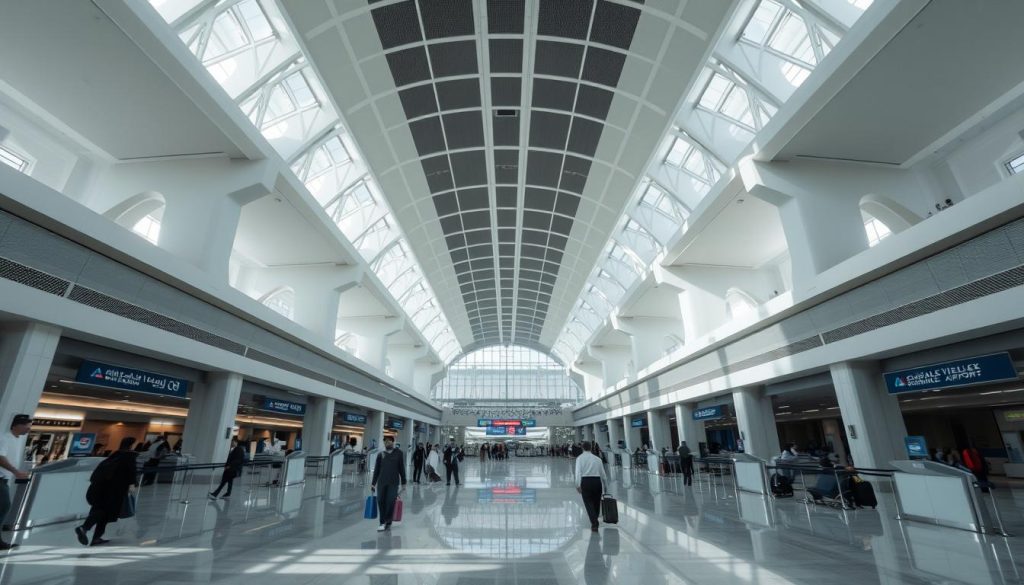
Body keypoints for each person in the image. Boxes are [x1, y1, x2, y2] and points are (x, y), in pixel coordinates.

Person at [75, 436, 138, 547]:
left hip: (101, 487)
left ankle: (96, 537)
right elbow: (131, 472)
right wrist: (132, 485)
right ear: (131, 445)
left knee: (101, 510)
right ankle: (84, 528)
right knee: (104, 511)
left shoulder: (115, 454)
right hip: (115, 489)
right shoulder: (129, 456)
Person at [0, 414, 31, 549]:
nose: (28, 429)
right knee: (4, 506)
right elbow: (0, 458)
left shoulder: (17, 440)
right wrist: (15, 471)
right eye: (26, 425)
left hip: (5, 479)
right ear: (17, 425)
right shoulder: (4, 438)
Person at [370, 437, 406, 532]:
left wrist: (404, 482)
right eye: (385, 442)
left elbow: (402, 468)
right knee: (381, 500)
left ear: (393, 443)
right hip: (382, 482)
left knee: (390, 501)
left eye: (389, 441)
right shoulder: (380, 454)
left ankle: (387, 521)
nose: (387, 443)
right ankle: (382, 522)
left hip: (393, 483)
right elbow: (376, 470)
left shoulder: (399, 453)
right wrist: (373, 483)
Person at [574, 440, 608, 532]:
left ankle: (594, 523)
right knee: (597, 503)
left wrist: (578, 484)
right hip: (597, 481)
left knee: (588, 503)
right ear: (591, 448)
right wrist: (605, 486)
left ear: (582, 448)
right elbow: (603, 474)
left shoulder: (580, 459)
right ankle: (595, 520)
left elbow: (578, 473)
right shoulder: (597, 459)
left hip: (586, 482)